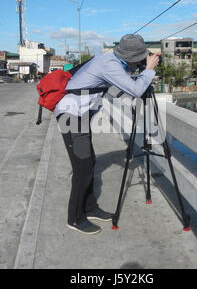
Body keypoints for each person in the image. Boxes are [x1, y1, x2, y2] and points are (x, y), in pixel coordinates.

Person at [54, 34, 160, 235]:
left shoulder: (111, 60)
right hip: (70, 115)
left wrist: (141, 72)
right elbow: (136, 90)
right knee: (82, 168)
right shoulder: (109, 64)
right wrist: (149, 70)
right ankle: (75, 218)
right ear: (133, 56)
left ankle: (90, 208)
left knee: (90, 162)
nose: (141, 60)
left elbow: (118, 87)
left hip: (80, 116)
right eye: (140, 57)